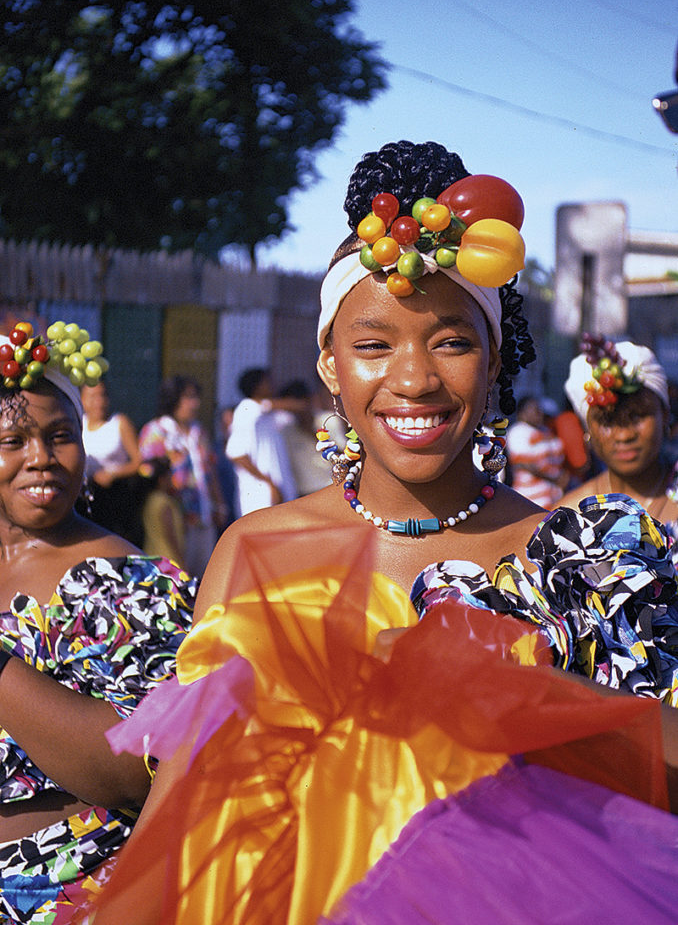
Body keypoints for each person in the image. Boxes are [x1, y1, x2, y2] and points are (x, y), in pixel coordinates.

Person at [86, 142, 678, 924]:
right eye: (372, 345)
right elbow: (186, 803)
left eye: (452, 341)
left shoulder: (587, 554)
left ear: (496, 357)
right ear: (330, 364)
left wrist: (517, 693)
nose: (414, 378)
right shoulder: (257, 553)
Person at [0, 320, 195, 922]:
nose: (41, 458)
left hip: (74, 895)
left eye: (62, 437)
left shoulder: (128, 581)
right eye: (14, 441)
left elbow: (142, 771)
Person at [561, 337, 678, 541]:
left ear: (665, 416)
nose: (624, 435)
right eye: (607, 420)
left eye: (638, 416)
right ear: (587, 428)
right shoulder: (570, 518)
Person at [139, 376, 227, 578]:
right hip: (176, 517)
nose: (194, 403)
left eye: (196, 397)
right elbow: (149, 473)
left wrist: (219, 504)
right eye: (188, 397)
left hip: (203, 518)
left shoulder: (199, 432)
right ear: (173, 399)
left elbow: (210, 471)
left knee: (202, 579)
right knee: (176, 576)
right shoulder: (157, 431)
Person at [226, 368, 298, 515]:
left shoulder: (268, 415)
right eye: (267, 381)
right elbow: (237, 455)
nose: (272, 384)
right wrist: (269, 484)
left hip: (279, 497)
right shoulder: (246, 408)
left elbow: (300, 408)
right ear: (257, 386)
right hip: (259, 497)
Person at [81, 380, 144, 546]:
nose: (99, 402)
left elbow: (138, 461)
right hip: (87, 500)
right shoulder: (79, 424)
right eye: (93, 397)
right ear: (82, 400)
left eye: (103, 396)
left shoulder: (119, 423)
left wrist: (114, 473)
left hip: (116, 498)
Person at [505, 395, 568, 508]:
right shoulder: (518, 431)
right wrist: (553, 478)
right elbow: (523, 463)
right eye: (534, 409)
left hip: (553, 494)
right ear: (522, 413)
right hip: (531, 496)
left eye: (539, 409)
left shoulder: (545, 430)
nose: (539, 413)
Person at [139, 456, 186, 568]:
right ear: (162, 479)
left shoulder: (149, 499)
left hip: (151, 556)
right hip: (169, 558)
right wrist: (181, 559)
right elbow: (170, 534)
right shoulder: (164, 502)